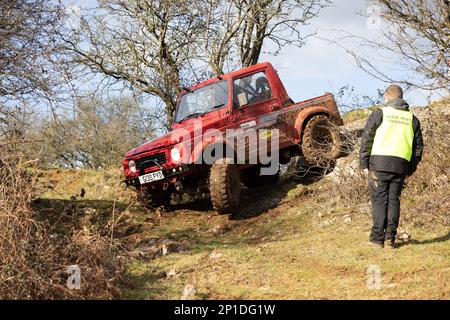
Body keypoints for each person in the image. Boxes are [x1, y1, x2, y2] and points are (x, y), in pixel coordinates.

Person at [359, 85, 424, 249]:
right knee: (394, 200)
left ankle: (376, 239)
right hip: (400, 166)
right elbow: (418, 148)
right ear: (401, 98)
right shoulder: (412, 119)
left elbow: (367, 139)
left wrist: (363, 163)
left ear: (388, 97)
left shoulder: (380, 114)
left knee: (380, 201)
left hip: (378, 164)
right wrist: (410, 168)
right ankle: (390, 239)